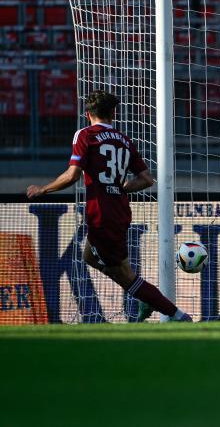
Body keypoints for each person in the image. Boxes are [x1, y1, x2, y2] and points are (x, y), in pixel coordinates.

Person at [26, 89, 192, 322]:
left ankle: (176, 314)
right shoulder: (124, 140)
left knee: (127, 276)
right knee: (89, 257)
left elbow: (73, 175)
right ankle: (144, 297)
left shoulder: (85, 135)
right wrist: (122, 188)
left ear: (87, 114)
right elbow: (146, 179)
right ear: (114, 113)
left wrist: (43, 189)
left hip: (101, 214)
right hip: (119, 211)